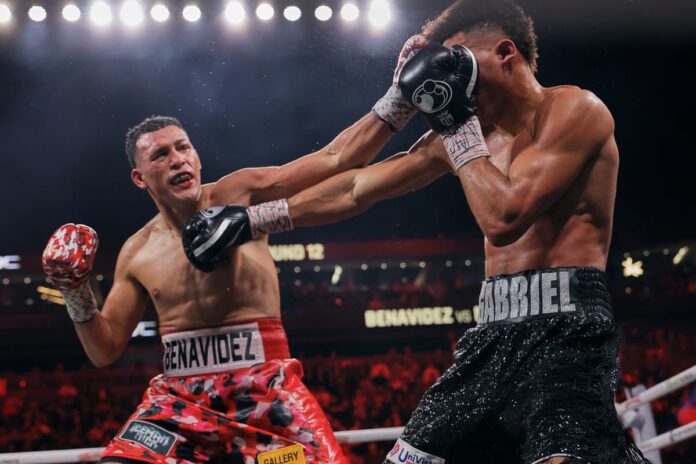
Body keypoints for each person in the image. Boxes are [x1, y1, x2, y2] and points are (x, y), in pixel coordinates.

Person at [185, 1, 649, 462]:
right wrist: (253, 219)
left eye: (458, 59)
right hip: (490, 334)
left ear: (505, 53)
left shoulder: (574, 109)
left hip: (569, 331)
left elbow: (505, 216)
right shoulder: (466, 135)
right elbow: (355, 188)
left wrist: (455, 123)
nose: (447, 77)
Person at [39, 34, 430, 464]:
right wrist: (75, 292)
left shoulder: (238, 194)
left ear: (198, 156)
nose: (177, 159)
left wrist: (400, 99)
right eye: (161, 155)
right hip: (179, 403)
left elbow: (337, 159)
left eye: (184, 147)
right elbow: (104, 349)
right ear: (139, 178)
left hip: (265, 391)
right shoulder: (137, 250)